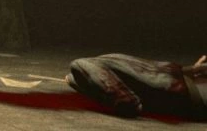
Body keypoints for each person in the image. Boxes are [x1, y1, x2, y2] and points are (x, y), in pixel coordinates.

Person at [67, 53, 206, 120]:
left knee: (80, 65)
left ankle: (126, 101)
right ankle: (124, 99)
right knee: (75, 77)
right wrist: (193, 69)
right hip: (179, 83)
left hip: (177, 83)